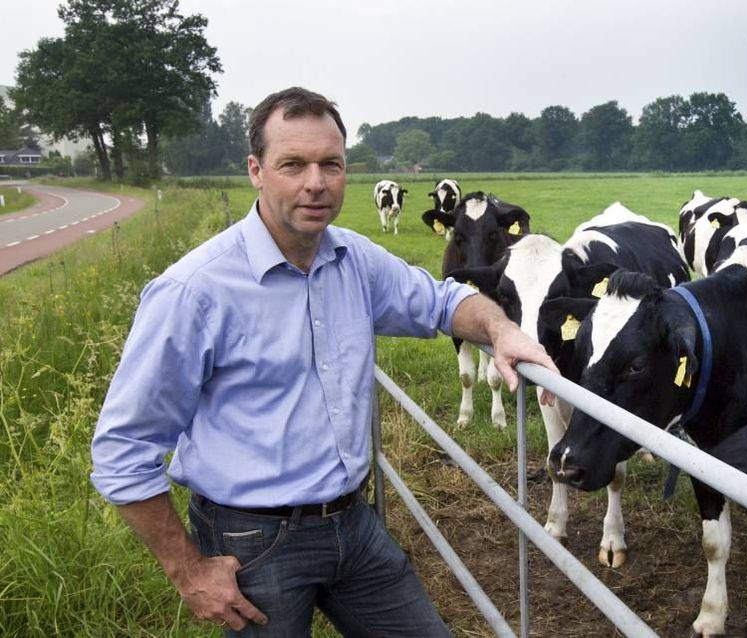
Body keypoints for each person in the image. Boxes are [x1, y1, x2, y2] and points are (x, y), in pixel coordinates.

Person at [90, 86, 559, 637]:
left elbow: (444, 299)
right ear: (256, 171)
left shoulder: (354, 259)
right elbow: (123, 450)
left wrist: (501, 329)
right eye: (293, 164)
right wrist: (188, 571)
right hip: (252, 542)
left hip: (352, 524)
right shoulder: (194, 292)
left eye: (331, 164)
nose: (316, 182)